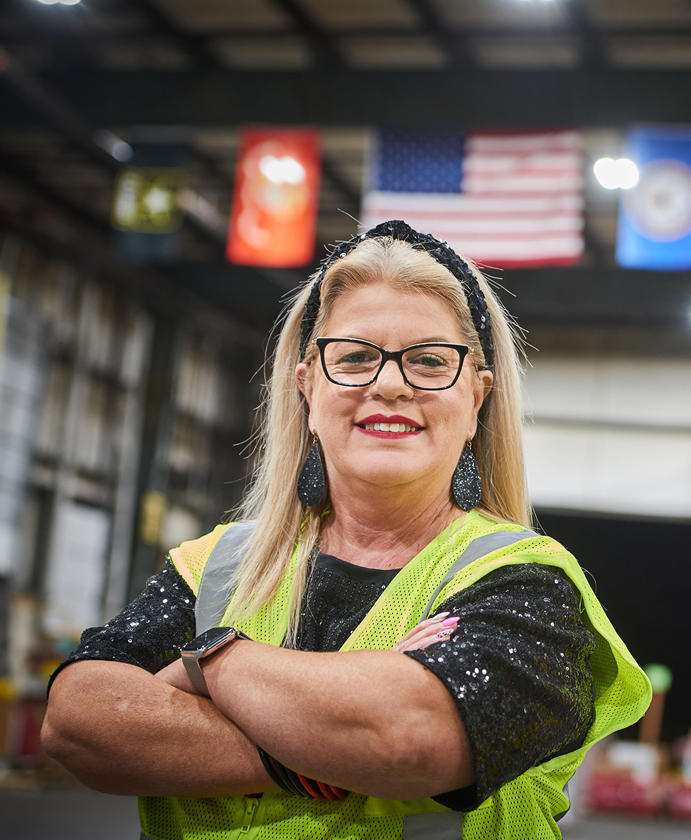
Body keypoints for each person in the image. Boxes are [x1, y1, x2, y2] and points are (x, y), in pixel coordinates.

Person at [42, 220, 651, 839]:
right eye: (356, 357)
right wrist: (328, 753)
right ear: (307, 386)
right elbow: (77, 722)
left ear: (477, 398)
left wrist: (207, 662)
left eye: (430, 361)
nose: (389, 384)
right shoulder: (215, 564)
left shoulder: (526, 584)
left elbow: (407, 741)